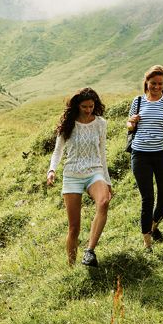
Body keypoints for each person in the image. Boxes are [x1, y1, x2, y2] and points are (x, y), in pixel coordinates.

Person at [47, 88, 112, 267]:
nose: (88, 110)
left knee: (104, 201)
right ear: (77, 105)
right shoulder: (68, 124)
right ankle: (71, 267)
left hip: (94, 171)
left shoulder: (100, 123)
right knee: (74, 227)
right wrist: (52, 170)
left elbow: (102, 153)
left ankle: (89, 251)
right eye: (84, 106)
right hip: (72, 174)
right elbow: (57, 151)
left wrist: (107, 180)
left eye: (91, 106)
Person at [126, 65, 163, 251]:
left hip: (162, 155)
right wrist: (131, 123)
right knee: (147, 199)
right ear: (147, 83)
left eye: (160, 84)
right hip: (140, 155)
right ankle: (147, 243)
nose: (156, 87)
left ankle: (153, 227)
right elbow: (129, 125)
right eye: (153, 83)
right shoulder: (137, 102)